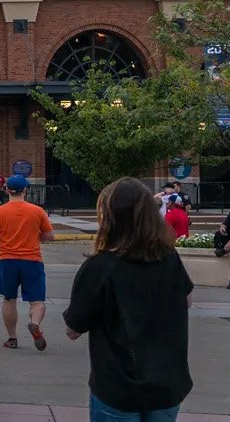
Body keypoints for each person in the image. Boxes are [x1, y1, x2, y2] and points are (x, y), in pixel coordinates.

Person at [62, 178, 194, 422]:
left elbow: (73, 328)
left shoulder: (99, 266)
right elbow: (187, 300)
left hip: (118, 385)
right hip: (166, 380)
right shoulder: (168, 257)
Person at [0, 174, 54, 350]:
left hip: (7, 260)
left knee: (9, 299)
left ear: (7, 190)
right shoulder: (37, 211)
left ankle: (12, 338)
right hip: (32, 260)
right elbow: (49, 236)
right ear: (25, 190)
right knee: (37, 301)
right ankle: (35, 324)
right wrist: (34, 235)